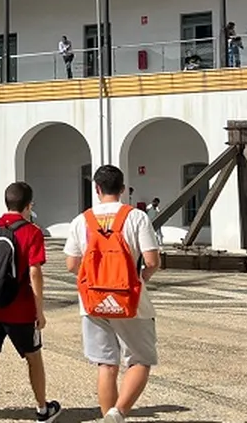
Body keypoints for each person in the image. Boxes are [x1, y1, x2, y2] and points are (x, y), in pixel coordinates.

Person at [64, 165, 161, 423]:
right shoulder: (136, 217)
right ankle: (117, 414)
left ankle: (109, 415)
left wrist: (95, 279)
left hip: (93, 301)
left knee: (106, 364)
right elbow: (152, 261)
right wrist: (141, 278)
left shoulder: (81, 220)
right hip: (130, 299)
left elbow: (71, 264)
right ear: (122, 189)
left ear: (97, 189)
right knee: (139, 360)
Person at [0, 182, 62, 423]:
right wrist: (39, 310)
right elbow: (35, 272)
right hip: (21, 310)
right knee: (33, 357)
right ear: (29, 205)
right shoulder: (31, 232)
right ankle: (42, 409)